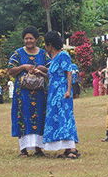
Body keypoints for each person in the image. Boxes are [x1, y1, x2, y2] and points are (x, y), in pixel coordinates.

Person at [8, 26, 51, 157]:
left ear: (36, 39)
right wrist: (23, 67)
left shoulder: (44, 54)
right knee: (23, 117)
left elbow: (51, 72)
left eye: (31, 38)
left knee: (39, 117)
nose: (28, 41)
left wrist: (41, 69)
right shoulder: (17, 54)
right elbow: (10, 70)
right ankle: (23, 149)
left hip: (39, 94)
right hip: (23, 94)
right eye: (26, 38)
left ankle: (39, 148)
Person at [43, 31, 80, 159]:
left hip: (62, 92)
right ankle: (65, 146)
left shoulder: (63, 55)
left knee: (65, 117)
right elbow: (52, 76)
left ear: (50, 44)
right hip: (53, 93)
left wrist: (68, 90)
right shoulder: (53, 59)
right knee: (57, 118)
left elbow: (68, 72)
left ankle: (72, 148)